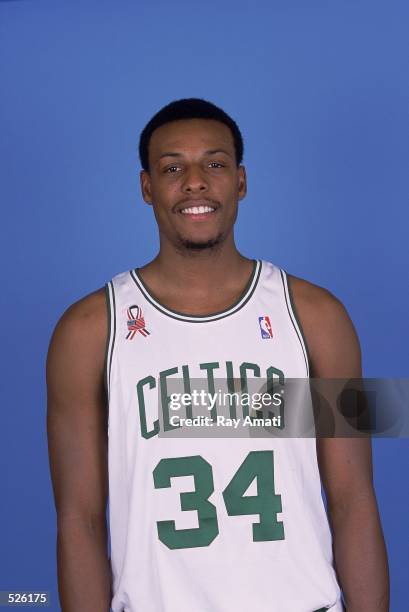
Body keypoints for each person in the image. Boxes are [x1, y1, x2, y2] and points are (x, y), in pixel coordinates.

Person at [46, 98, 389, 612]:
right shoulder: (89, 331)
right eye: (171, 167)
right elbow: (79, 519)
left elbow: (355, 498)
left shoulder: (319, 317)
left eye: (214, 163)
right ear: (146, 188)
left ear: (241, 181)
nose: (195, 182)